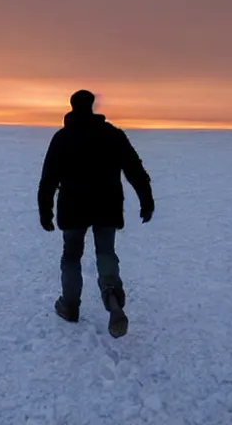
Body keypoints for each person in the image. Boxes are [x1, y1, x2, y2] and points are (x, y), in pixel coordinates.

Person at [37, 90, 154, 338]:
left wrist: (45, 211)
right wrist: (146, 199)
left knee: (71, 256)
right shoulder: (112, 135)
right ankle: (112, 298)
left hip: (73, 208)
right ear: (92, 106)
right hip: (107, 206)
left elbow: (48, 178)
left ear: (72, 107)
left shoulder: (62, 138)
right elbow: (135, 168)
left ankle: (69, 306)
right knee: (105, 252)